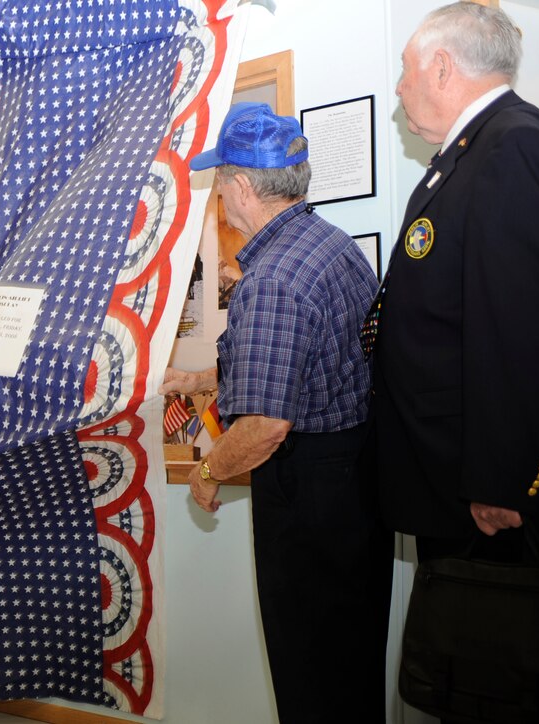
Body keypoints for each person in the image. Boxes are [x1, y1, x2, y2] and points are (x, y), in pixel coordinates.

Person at [161, 103, 392, 723]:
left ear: (241, 186)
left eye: (220, 182)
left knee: (310, 669)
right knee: (351, 662)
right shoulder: (329, 246)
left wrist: (207, 474)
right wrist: (199, 379)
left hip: (307, 497)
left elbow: (265, 425)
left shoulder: (271, 279)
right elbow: (306, 362)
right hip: (355, 485)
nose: (219, 199)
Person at [370, 1, 539, 570]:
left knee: (502, 652)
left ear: (441, 67)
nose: (400, 87)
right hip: (456, 482)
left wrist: (501, 479)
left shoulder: (513, 147)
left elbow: (523, 328)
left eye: (406, 69)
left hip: (497, 503)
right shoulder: (472, 152)